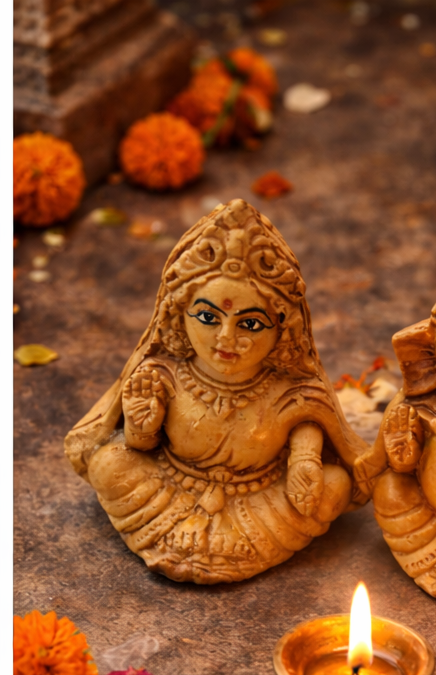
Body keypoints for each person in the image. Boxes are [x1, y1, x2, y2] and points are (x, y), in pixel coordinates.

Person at [65, 200, 367, 584]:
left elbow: (308, 430)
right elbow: (141, 445)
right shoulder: (165, 374)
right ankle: (191, 536)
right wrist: (142, 425)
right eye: (208, 318)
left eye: (251, 325)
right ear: (178, 313)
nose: (227, 339)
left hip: (258, 499)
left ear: (283, 329)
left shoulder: (290, 391)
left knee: (333, 485)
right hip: (172, 491)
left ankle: (215, 542)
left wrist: (304, 464)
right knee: (109, 462)